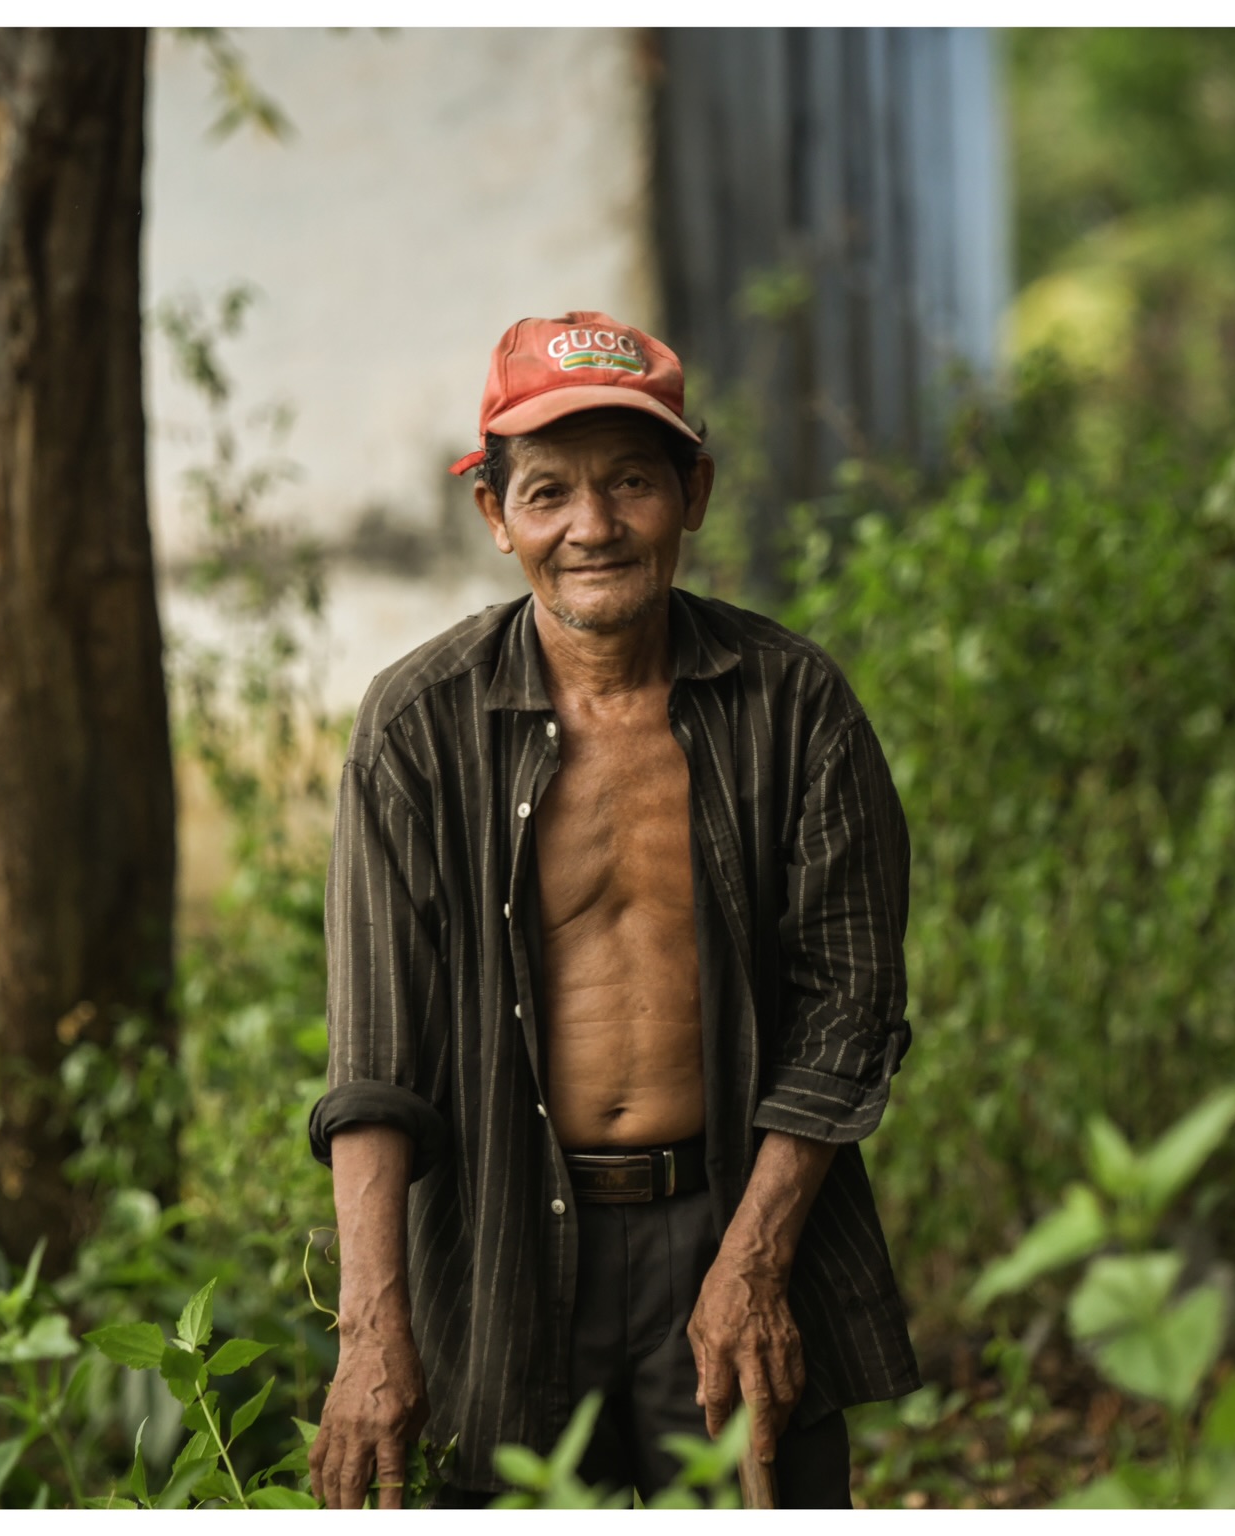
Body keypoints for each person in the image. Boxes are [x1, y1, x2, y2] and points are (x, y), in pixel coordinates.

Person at [306, 310, 918, 1509]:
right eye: (548, 491)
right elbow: (376, 1061)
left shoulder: (793, 706)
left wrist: (754, 1261)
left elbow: (849, 1007)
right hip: (499, 1241)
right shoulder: (418, 728)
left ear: (693, 494)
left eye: (631, 481)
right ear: (495, 514)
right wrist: (370, 1332)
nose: (592, 526)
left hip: (737, 1217)